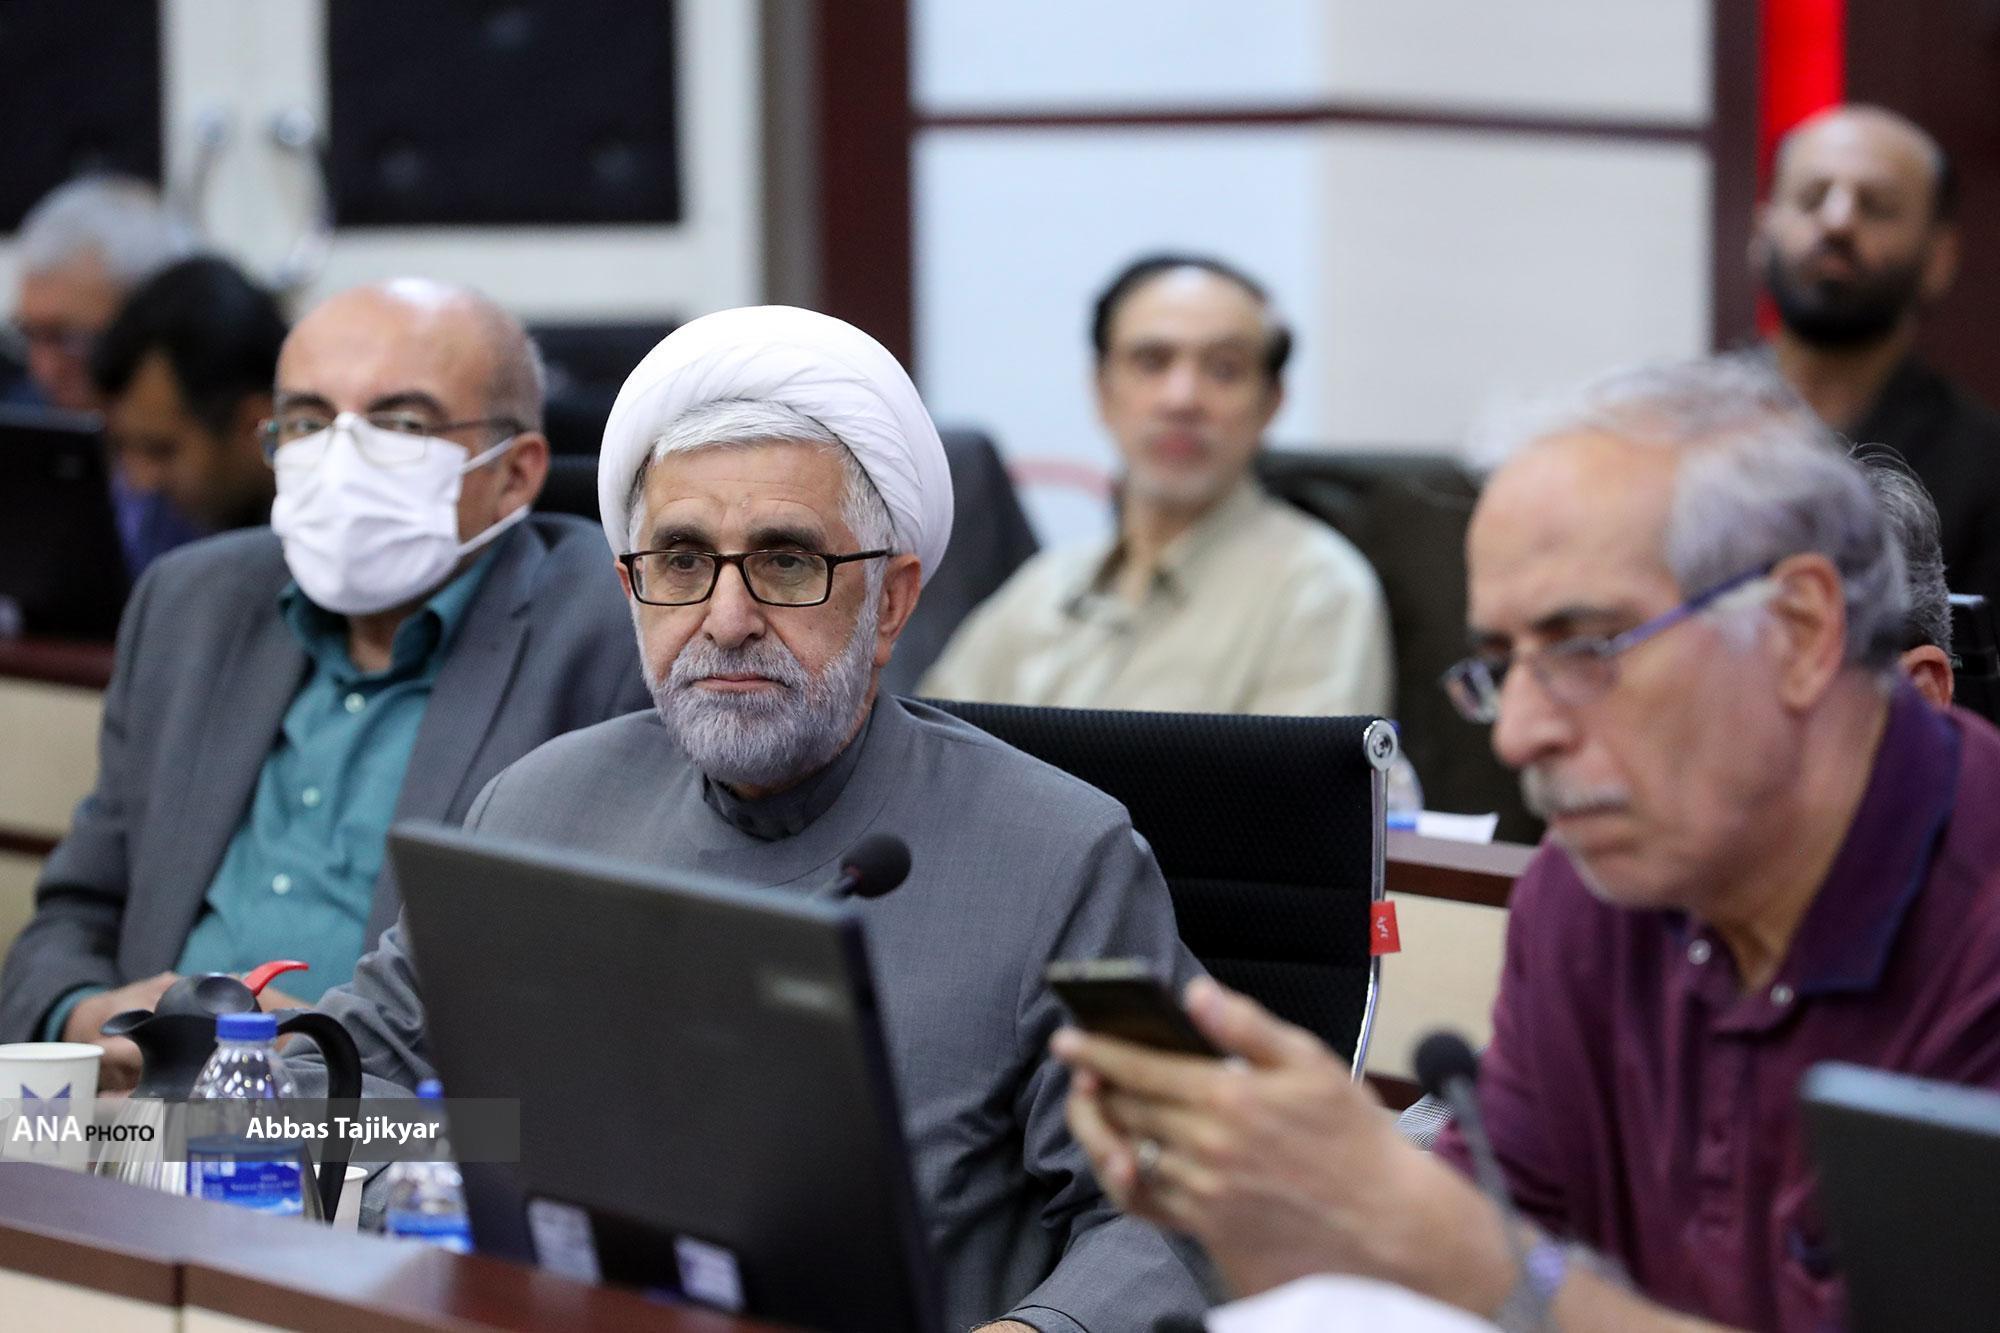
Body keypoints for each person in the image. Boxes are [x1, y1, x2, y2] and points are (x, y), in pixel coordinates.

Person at [302, 306, 1208, 1333]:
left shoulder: (1059, 858)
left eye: (784, 561)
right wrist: (434, 1175)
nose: (726, 620)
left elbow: (1179, 1216)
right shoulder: (540, 806)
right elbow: (336, 1078)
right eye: (681, 561)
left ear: (890, 602)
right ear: (631, 587)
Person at [1054, 357, 2000, 1331]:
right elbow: (1465, 1269)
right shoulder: (1585, 891)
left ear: (1798, 632)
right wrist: (1271, 1214)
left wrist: (1448, 1246)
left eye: (1583, 649)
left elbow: (1487, 1264)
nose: (1515, 735)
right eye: (1501, 665)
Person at [0, 278, 651, 1089]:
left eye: (399, 423)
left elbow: (590, 1004)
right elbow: (74, 912)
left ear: (514, 475)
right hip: (141, 1110)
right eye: (309, 421)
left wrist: (321, 1064)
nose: (340, 460)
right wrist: (83, 1016)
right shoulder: (189, 603)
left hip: (395, 1135)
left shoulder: (608, 636)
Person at [921, 254, 1392, 716]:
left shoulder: (1317, 591)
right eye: (1151, 362)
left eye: (1224, 369)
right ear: (1102, 390)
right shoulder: (1041, 589)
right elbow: (929, 745)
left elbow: (1304, 772)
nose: (1181, 399)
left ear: (1271, 403)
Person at [1755, 103, 2000, 614]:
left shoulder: (1984, 468)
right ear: (1763, 232)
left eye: (1878, 207)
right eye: (1811, 198)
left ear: (1940, 257)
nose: (1837, 222)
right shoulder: (1679, 432)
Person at [8, 174, 205, 571]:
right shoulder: (21, 422)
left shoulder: (204, 447)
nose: (43, 369)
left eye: (68, 339)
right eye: (31, 335)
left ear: (149, 321)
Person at [90, 255, 286, 542]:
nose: (137, 481)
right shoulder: (165, 519)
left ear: (256, 426)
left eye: (159, 450)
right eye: (120, 446)